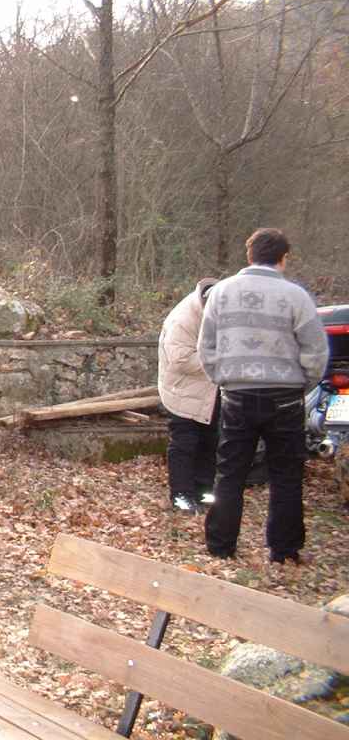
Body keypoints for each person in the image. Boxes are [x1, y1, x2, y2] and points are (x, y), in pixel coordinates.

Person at [198, 228, 329, 564]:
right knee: (286, 475)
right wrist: (303, 385)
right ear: (283, 259)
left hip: (236, 395)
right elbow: (316, 350)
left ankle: (220, 546)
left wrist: (222, 378)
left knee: (229, 473)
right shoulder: (296, 296)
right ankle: (284, 550)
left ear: (249, 255)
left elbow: (206, 346)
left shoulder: (221, 292)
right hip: (285, 397)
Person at [157, 278, 219, 514]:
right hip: (182, 390)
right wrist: (220, 359)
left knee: (211, 440)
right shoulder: (184, 319)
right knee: (185, 443)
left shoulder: (223, 311)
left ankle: (204, 491)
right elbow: (181, 360)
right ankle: (181, 495)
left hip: (212, 389)